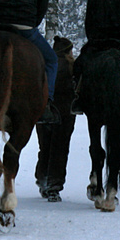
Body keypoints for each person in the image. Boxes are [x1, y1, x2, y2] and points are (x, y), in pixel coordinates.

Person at [34, 36, 77, 202]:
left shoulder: (45, 65)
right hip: (65, 114)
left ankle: (42, 178)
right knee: (60, 149)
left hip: (44, 110)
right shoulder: (71, 66)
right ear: (68, 51)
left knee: (44, 147)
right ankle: (54, 185)